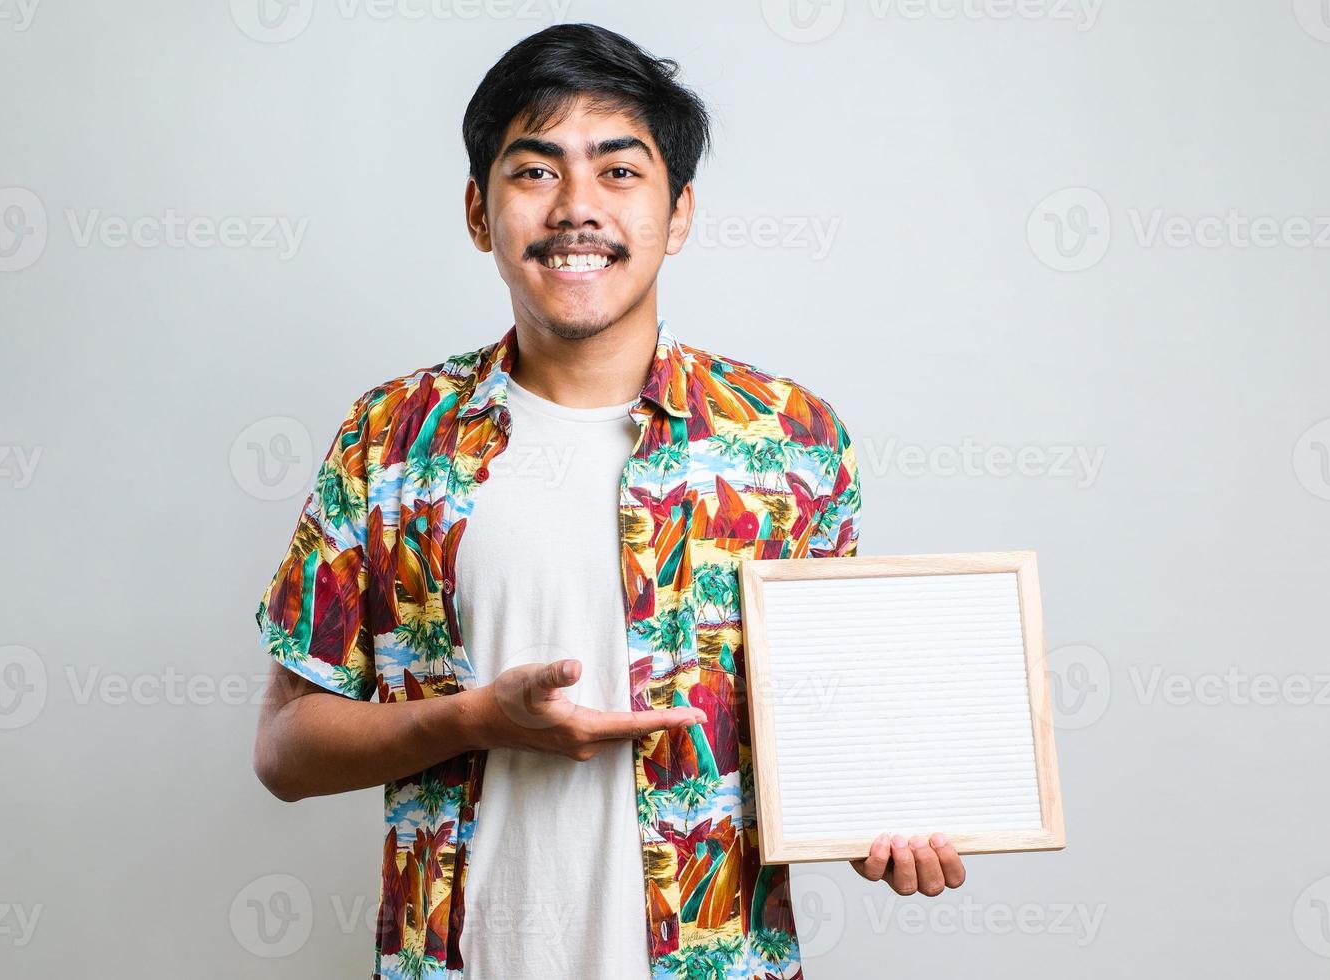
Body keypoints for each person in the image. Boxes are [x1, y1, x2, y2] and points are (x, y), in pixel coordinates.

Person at [252, 22, 965, 980]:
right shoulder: (391, 438)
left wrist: (889, 820)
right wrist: (473, 720)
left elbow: (826, 733)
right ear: (478, 210)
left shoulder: (787, 444)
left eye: (620, 172)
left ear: (677, 214)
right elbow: (286, 749)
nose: (577, 208)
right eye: (535, 171)